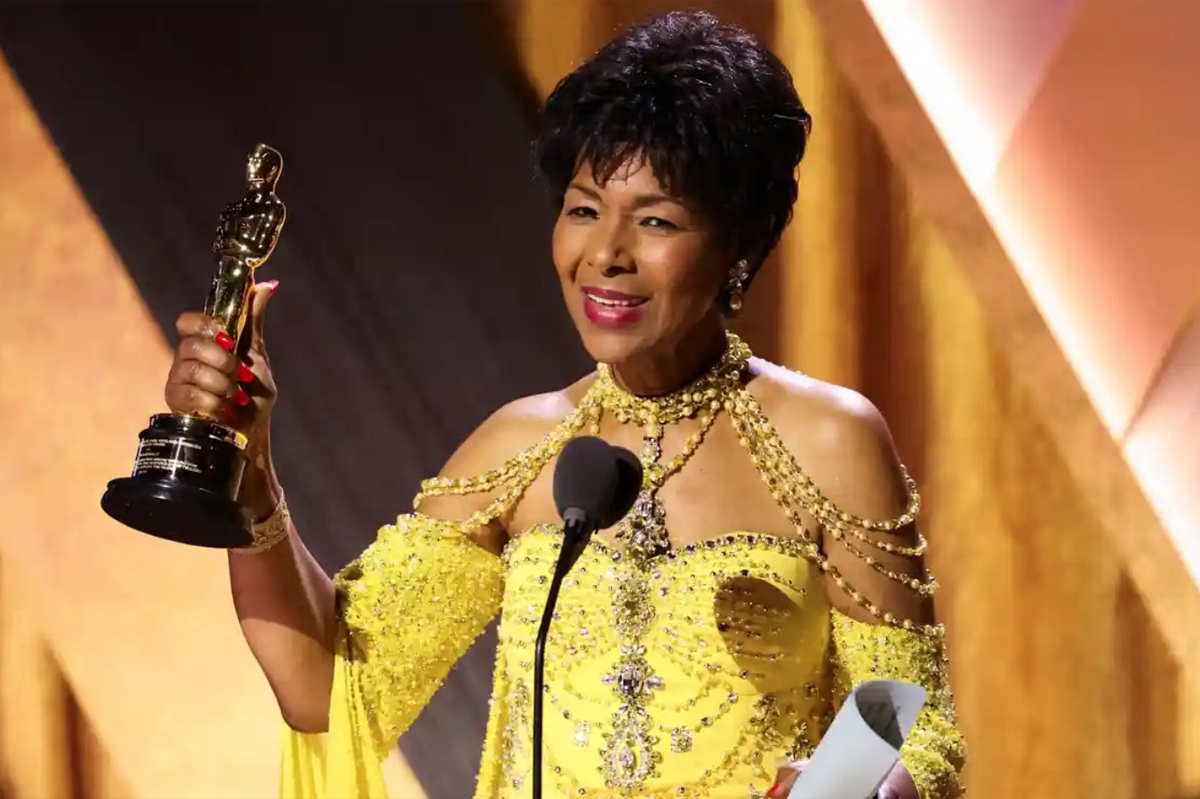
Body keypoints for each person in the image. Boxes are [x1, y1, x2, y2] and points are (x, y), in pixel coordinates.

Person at [163, 11, 965, 799]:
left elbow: (912, 724)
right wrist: (250, 469)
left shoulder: (825, 442)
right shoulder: (519, 449)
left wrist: (856, 788)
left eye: (656, 221)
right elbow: (329, 685)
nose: (605, 254)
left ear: (739, 248)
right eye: (584, 209)